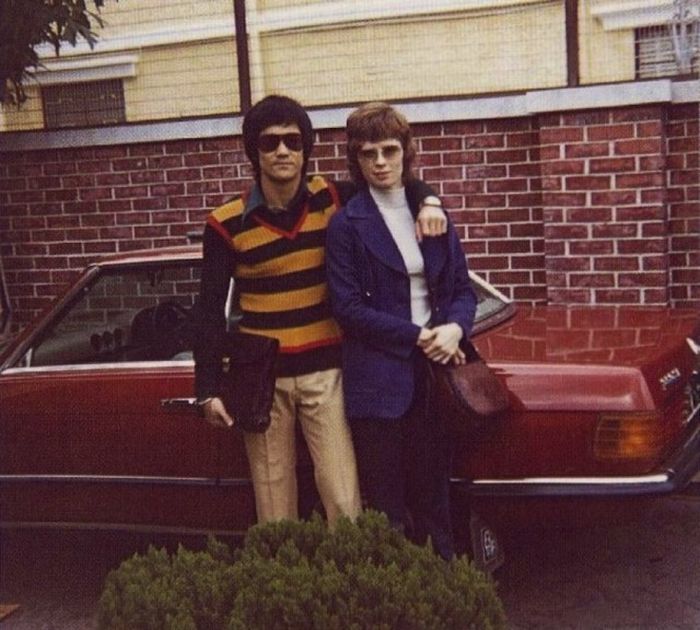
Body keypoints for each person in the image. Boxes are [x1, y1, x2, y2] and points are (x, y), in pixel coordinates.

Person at [194, 95, 448, 527]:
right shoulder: (225, 223)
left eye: (293, 142)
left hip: (326, 373)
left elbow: (393, 184)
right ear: (254, 151)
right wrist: (207, 387)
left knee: (343, 497)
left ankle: (345, 572)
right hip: (262, 379)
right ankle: (283, 571)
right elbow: (208, 309)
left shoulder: (333, 198)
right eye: (270, 142)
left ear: (305, 149)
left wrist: (430, 201)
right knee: (274, 503)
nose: (282, 151)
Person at [326, 102, 477, 557]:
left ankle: (445, 589)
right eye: (368, 153)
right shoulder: (345, 224)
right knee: (387, 510)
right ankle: (396, 594)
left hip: (432, 379)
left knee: (436, 502)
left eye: (389, 150)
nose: (380, 162)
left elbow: (461, 289)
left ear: (406, 152)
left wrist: (454, 328)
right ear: (355, 158)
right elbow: (347, 308)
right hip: (377, 383)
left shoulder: (432, 214)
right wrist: (417, 335)